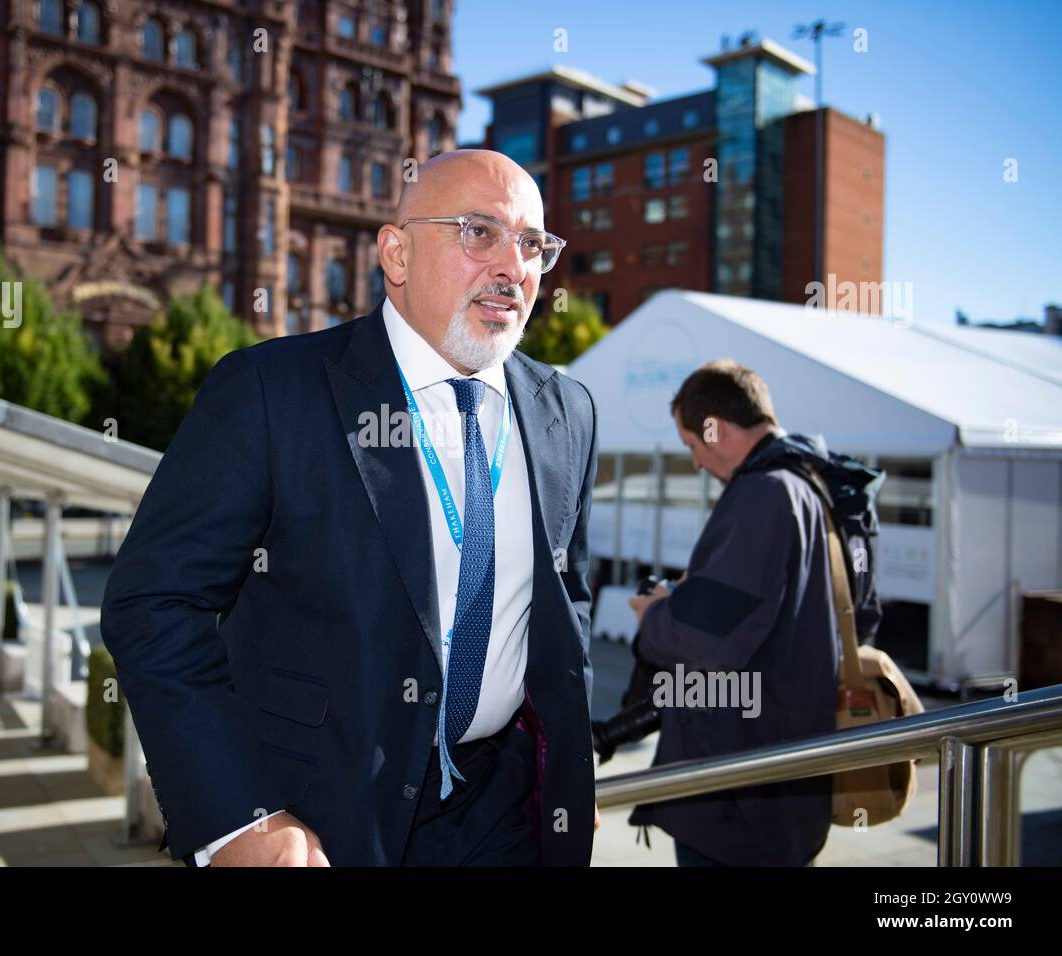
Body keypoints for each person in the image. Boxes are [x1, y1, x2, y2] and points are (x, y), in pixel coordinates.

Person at [101, 149, 600, 867]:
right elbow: (153, 603)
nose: (512, 266)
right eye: (477, 231)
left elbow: (566, 611)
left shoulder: (568, 410)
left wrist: (564, 782)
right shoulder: (271, 392)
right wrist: (236, 821)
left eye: (532, 244)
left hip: (506, 812)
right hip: (317, 822)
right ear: (395, 253)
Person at [627, 360, 838, 867]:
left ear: (714, 429)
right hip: (788, 786)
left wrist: (656, 614)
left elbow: (704, 641)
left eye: (692, 446)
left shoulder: (761, 495)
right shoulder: (811, 481)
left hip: (736, 795)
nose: (696, 463)